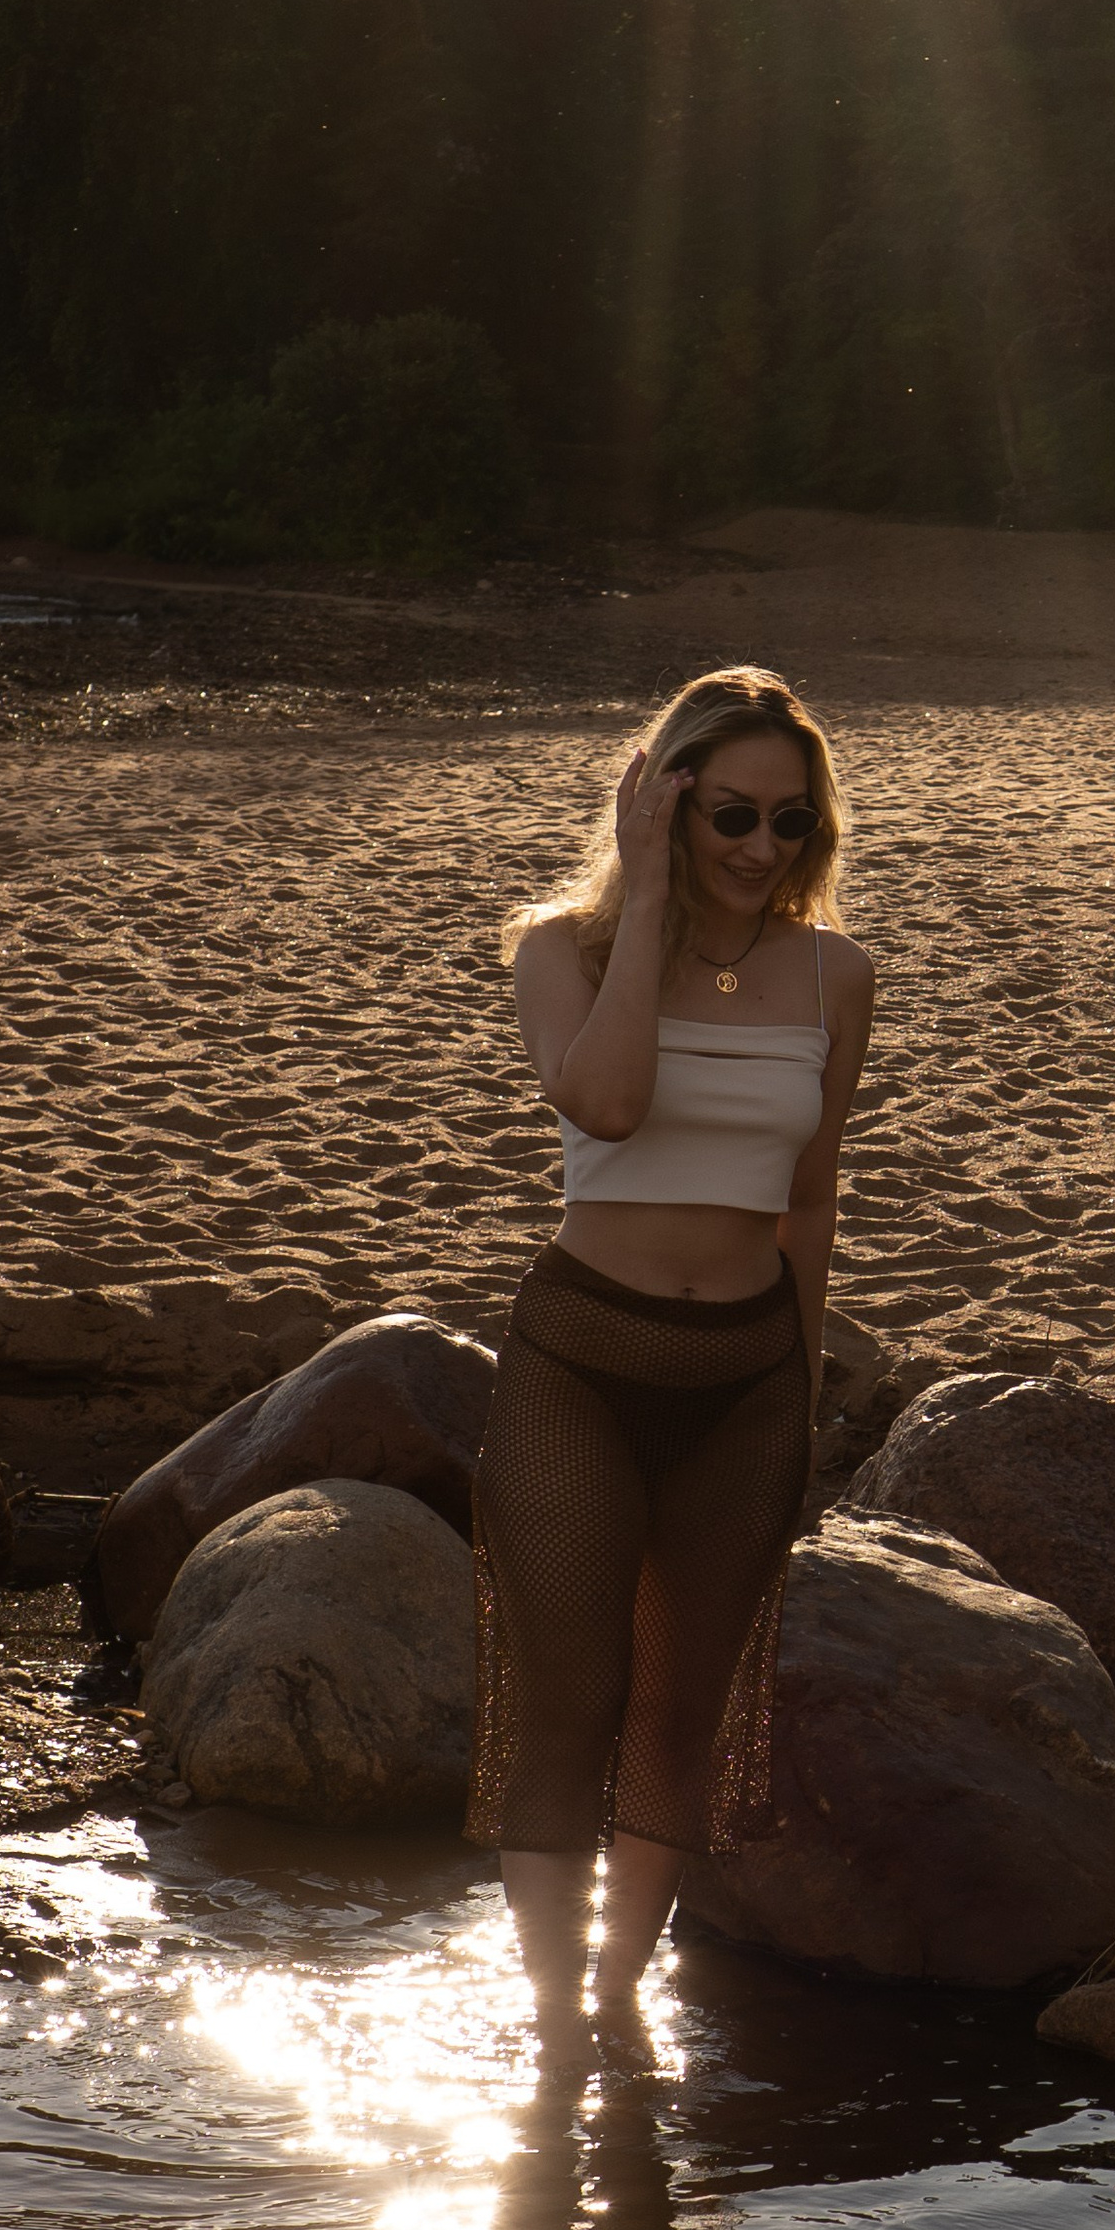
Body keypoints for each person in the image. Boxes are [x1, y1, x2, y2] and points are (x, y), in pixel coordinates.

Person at [469, 665, 874, 2055]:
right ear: (668, 806)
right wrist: (644, 899)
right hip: (581, 1362)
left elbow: (811, 1198)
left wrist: (804, 1388)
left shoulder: (837, 974)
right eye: (733, 818)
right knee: (567, 1703)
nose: (764, 850)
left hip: (746, 1382)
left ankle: (615, 1999)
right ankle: (550, 2022)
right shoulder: (559, 951)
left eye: (792, 824)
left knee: (684, 1712)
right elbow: (608, 1100)